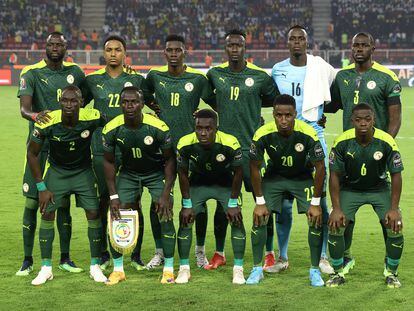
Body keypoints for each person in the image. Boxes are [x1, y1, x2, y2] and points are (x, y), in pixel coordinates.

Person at [326, 32, 402, 274]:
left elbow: (395, 120)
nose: (359, 49)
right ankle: (344, 256)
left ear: (373, 47)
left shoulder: (386, 77)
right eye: (355, 45)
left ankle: (390, 264)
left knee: (388, 216)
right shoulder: (342, 77)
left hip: (375, 155)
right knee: (343, 212)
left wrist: (381, 150)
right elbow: (332, 104)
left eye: (364, 45)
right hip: (347, 155)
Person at [206, 29, 279, 270]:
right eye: (230, 45)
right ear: (225, 48)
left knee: (262, 201)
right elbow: (210, 99)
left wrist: (252, 105)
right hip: (223, 152)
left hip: (251, 151)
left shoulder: (259, 76)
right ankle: (219, 252)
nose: (234, 48)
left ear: (245, 47)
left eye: (238, 44)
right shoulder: (215, 74)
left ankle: (269, 252)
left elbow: (273, 99)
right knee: (222, 204)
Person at [16, 31, 85, 276]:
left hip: (66, 148)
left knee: (62, 203)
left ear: (66, 47)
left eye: (60, 44)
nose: (55, 47)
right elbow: (24, 109)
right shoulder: (31, 72)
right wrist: (38, 117)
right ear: (45, 47)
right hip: (38, 146)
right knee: (33, 201)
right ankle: (27, 259)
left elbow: (85, 101)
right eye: (51, 44)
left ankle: (65, 258)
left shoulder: (76, 73)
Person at [82, 35, 152, 271]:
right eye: (109, 49)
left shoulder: (135, 79)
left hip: (132, 150)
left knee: (133, 202)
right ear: (104, 53)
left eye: (118, 50)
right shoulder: (92, 81)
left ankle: (135, 254)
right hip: (102, 150)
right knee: (104, 200)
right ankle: (103, 253)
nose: (113, 53)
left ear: (125, 53)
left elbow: (152, 105)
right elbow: (76, 108)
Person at [270, 25, 336, 274]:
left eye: (301, 38)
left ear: (307, 43)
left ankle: (323, 257)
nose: (297, 42)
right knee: (284, 200)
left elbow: (334, 95)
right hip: (285, 137)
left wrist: (321, 115)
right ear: (287, 43)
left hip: (314, 134)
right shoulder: (278, 70)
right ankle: (282, 257)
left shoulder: (321, 67)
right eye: (292, 39)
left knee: (321, 196)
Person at [146, 34, 215, 269]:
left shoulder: (197, 79)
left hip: (190, 149)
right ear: (164, 53)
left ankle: (200, 251)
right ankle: (159, 252)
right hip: (160, 149)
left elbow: (216, 103)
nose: (173, 53)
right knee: (158, 200)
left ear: (185, 53)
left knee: (198, 201)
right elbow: (142, 95)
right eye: (169, 50)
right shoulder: (155, 76)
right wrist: (154, 107)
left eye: (178, 50)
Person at [27, 86, 107, 285]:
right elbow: (32, 153)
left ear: (81, 102)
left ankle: (95, 265)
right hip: (57, 173)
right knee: (46, 213)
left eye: (74, 100)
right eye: (65, 100)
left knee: (94, 213)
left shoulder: (92, 116)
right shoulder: (48, 121)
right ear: (60, 101)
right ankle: (46, 268)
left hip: (83, 172)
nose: (69, 104)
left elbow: (114, 124)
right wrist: (41, 187)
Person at [247, 94, 326, 287]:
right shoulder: (262, 133)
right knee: (260, 216)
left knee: (315, 218)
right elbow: (254, 167)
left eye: (288, 115)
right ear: (273, 114)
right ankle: (257, 269)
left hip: (302, 177)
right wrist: (259, 201)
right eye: (279, 115)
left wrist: (315, 203)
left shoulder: (308, 133)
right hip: (275, 177)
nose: (283, 120)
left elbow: (321, 167)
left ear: (295, 114)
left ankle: (315, 270)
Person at [102, 87, 177, 285]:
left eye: (134, 102)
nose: (129, 106)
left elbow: (170, 160)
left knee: (165, 212)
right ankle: (118, 270)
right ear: (120, 105)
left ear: (142, 104)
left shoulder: (158, 127)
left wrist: (166, 193)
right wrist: (113, 197)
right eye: (125, 102)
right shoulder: (111, 128)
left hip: (155, 174)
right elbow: (109, 162)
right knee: (117, 214)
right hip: (128, 174)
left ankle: (168, 269)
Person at [327, 104, 404, 288]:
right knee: (335, 225)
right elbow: (334, 176)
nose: (363, 123)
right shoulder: (341, 142)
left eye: (367, 119)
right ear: (352, 120)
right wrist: (336, 208)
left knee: (395, 225)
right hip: (350, 189)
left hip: (379, 189)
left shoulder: (386, 141)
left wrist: (394, 209)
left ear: (373, 120)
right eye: (359, 119)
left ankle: (391, 272)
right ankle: (340, 270)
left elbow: (396, 175)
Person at [176, 109, 246, 284]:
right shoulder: (185, 143)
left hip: (225, 183)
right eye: (199, 128)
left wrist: (232, 202)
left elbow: (238, 173)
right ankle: (184, 269)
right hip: (199, 183)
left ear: (216, 128)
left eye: (208, 128)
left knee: (236, 218)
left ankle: (238, 270)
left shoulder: (230, 143)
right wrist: (186, 203)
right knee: (185, 218)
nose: (203, 133)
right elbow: (182, 174)